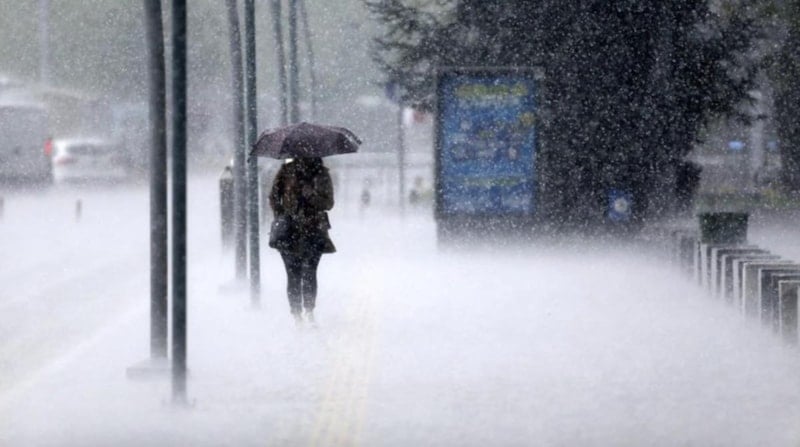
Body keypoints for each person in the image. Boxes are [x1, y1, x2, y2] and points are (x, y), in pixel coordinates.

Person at [269, 157, 335, 325]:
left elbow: (328, 203)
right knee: (293, 274)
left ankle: (309, 310)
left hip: (313, 230)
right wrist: (282, 215)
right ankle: (297, 313)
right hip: (289, 232)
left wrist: (311, 195)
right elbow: (274, 196)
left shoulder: (322, 173)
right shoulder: (286, 171)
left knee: (310, 272)